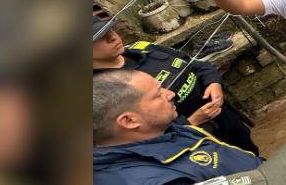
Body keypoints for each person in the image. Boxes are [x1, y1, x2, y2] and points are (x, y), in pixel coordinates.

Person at [92, 13, 259, 155]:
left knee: (251, 156)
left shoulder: (143, 48)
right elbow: (129, 139)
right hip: (194, 144)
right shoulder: (101, 93)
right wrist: (190, 122)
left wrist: (213, 82)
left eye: (110, 29)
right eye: (101, 37)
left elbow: (194, 63)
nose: (113, 37)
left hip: (224, 117)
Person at [92, 68, 262, 185]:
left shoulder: (158, 131)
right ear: (129, 121)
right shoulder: (151, 180)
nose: (171, 94)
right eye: (158, 94)